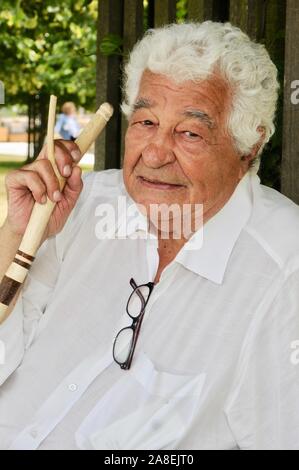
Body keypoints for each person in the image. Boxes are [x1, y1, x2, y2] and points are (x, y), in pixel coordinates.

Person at [0, 21, 299, 450]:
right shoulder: (87, 203)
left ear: (248, 146)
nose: (155, 153)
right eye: (145, 121)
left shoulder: (284, 270)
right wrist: (17, 232)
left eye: (190, 132)